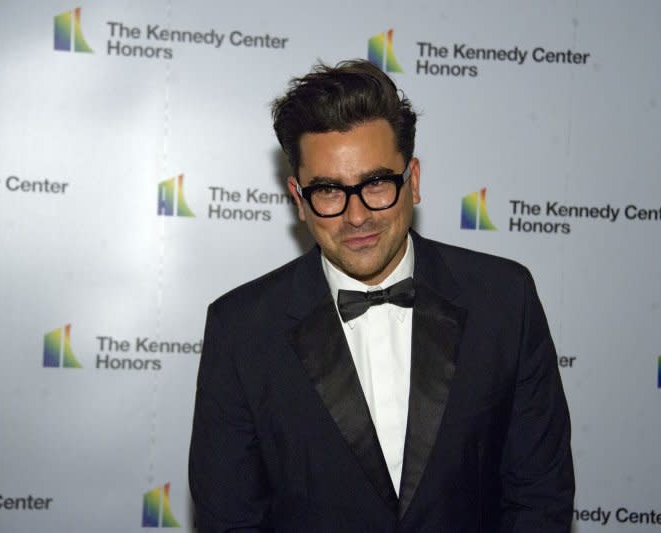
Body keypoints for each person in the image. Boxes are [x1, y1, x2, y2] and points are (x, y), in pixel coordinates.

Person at [189, 59, 574, 532]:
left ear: (413, 179)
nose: (356, 217)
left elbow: (539, 497)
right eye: (329, 190)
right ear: (297, 197)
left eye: (375, 184)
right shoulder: (243, 329)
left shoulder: (504, 300)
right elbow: (230, 520)